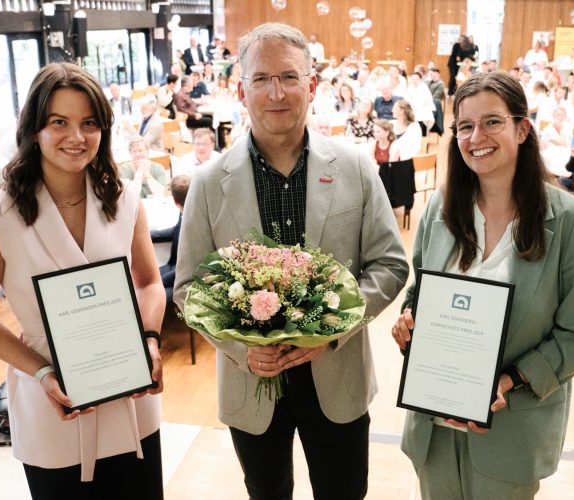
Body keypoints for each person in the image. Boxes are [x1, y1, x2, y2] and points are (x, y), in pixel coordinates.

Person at [174, 23, 409, 500]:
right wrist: (243, 350)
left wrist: (331, 330)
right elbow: (188, 288)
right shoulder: (207, 180)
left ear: (312, 85)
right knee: (266, 493)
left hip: (337, 373)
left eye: (289, 77)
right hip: (250, 379)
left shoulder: (356, 167)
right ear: (241, 91)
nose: (275, 93)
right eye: (261, 79)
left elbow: (389, 265)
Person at [0, 63, 165, 498]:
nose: (77, 137)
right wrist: (41, 371)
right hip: (53, 399)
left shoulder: (124, 198)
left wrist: (148, 340)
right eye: (59, 123)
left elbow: (148, 283)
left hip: (130, 394)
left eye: (89, 123)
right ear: (35, 129)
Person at [392, 71, 574, 500]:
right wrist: (408, 320)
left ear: (522, 128)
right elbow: (420, 289)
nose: (476, 137)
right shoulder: (440, 208)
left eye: (492, 122)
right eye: (465, 126)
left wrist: (508, 380)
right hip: (433, 420)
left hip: (511, 429)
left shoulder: (568, 221)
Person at [151, 175, 190, 295]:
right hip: (174, 266)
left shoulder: (194, 221)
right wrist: (146, 235)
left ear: (174, 199)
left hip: (185, 277)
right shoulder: (184, 211)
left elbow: (187, 266)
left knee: (152, 291)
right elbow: (176, 231)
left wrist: (159, 281)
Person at [427, 68, 445, 134]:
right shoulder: (429, 82)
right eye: (432, 75)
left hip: (434, 101)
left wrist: (428, 101)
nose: (433, 77)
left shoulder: (440, 84)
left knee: (436, 102)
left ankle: (432, 126)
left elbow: (436, 95)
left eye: (435, 75)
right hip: (427, 101)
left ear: (438, 75)